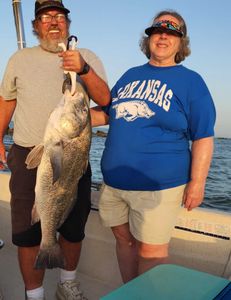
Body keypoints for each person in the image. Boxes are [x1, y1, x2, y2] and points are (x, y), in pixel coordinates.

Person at [91, 9, 216, 284]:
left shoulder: (192, 82)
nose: (163, 36)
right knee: (123, 240)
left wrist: (197, 182)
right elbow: (108, 114)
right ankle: (131, 291)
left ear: (181, 43)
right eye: (158, 31)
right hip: (114, 182)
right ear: (147, 40)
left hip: (159, 185)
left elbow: (204, 135)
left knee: (152, 251)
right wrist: (69, 114)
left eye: (172, 33)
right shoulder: (129, 75)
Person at [0, 0, 110, 299]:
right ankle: (34, 295)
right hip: (27, 153)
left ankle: (67, 285)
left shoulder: (86, 56)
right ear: (36, 26)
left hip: (74, 156)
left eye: (59, 16)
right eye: (46, 17)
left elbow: (105, 100)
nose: (53, 21)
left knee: (73, 228)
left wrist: (83, 69)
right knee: (28, 234)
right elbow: (7, 100)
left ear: (68, 24)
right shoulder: (19, 59)